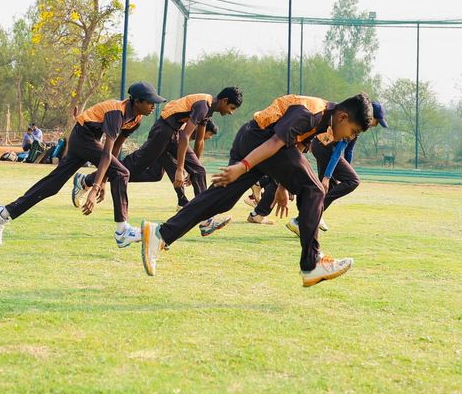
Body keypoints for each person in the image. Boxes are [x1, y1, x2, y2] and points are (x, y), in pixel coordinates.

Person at [140, 93, 376, 288]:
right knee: (315, 190)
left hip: (253, 139)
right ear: (343, 116)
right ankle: (312, 262)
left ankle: (160, 234)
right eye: (353, 131)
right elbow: (275, 143)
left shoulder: (325, 118)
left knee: (220, 200)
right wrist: (242, 168)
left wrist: (282, 186)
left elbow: (297, 147)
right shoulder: (311, 113)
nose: (349, 137)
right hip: (259, 142)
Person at [0, 81, 165, 250]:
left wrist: (103, 180)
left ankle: (2, 214)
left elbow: (116, 148)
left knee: (52, 185)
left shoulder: (136, 118)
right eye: (150, 102)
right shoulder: (116, 113)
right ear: (137, 101)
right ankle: (122, 230)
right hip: (82, 138)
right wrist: (95, 187)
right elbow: (106, 153)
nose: (153, 106)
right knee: (123, 172)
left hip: (87, 140)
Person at [241, 100, 388, 232]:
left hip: (319, 146)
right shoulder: (352, 122)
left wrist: (337, 173)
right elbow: (337, 152)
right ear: (369, 115)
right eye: (377, 120)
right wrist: (327, 176)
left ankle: (305, 215)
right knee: (351, 181)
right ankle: (305, 217)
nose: (376, 125)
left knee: (321, 185)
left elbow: (348, 151)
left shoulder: (355, 128)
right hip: (324, 147)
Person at [98, 87, 242, 211]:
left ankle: (204, 218)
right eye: (232, 108)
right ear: (224, 101)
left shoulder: (208, 108)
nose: (231, 112)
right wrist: (180, 170)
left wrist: (194, 168)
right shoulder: (203, 105)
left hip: (173, 133)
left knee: (197, 171)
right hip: (163, 131)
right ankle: (89, 180)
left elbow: (199, 141)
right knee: (130, 169)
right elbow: (186, 136)